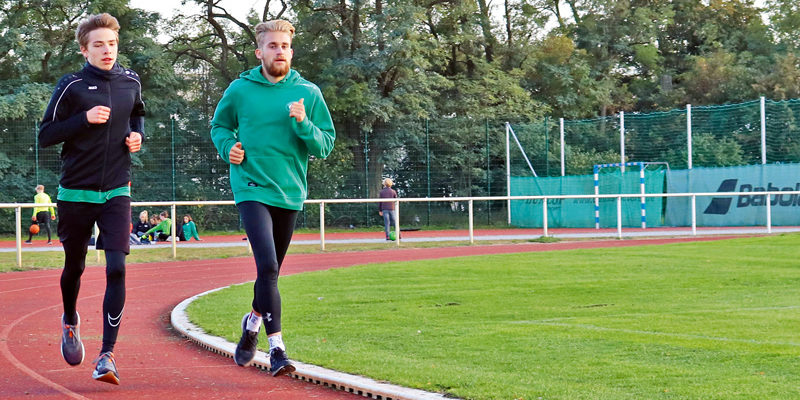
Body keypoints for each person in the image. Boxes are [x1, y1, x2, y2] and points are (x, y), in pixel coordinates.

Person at [210, 19, 335, 377]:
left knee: (271, 272)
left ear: (291, 51)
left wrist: (302, 124)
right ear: (259, 51)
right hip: (250, 187)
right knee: (266, 266)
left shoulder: (308, 93)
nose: (279, 51)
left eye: (284, 46)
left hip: (289, 191)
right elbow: (220, 126)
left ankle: (251, 323)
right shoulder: (240, 89)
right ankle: (277, 348)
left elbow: (324, 145)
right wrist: (227, 147)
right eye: (272, 46)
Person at [37, 13, 144, 385]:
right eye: (98, 44)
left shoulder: (131, 81)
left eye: (111, 43)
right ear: (85, 49)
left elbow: (137, 116)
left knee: (117, 267)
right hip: (75, 193)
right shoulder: (72, 86)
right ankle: (69, 319)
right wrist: (84, 119)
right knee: (75, 267)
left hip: (117, 189)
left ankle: (107, 356)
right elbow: (46, 135)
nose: (107, 50)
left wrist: (136, 137)